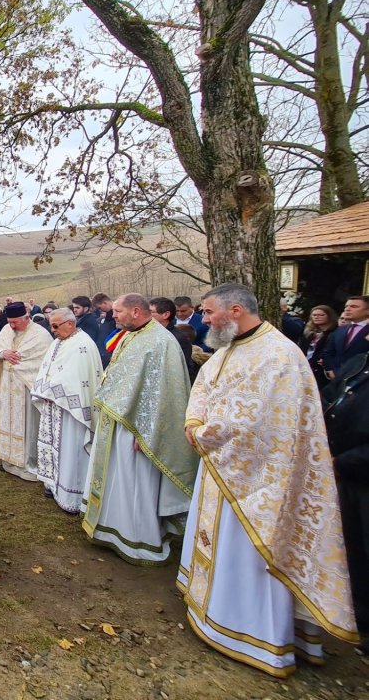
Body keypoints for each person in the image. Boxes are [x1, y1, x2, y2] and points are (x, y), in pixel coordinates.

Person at [180, 284, 357, 675]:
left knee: (250, 551)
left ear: (236, 310)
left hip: (260, 480)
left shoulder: (279, 355)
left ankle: (250, 630)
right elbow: (205, 386)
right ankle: (213, 610)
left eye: (209, 312)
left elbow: (254, 420)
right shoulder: (230, 348)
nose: (203, 319)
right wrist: (195, 420)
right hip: (222, 467)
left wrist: (203, 433)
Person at [82, 294, 196, 565]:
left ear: (136, 311)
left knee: (134, 485)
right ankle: (109, 528)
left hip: (138, 431)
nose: (114, 316)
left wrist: (147, 432)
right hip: (117, 424)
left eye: (118, 312)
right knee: (116, 481)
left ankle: (136, 539)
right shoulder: (134, 335)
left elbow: (165, 395)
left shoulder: (160, 342)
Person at [32, 308, 103, 512]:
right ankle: (52, 483)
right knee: (53, 446)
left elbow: (76, 380)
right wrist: (42, 387)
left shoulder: (83, 345)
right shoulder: (59, 341)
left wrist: (48, 389)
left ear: (70, 324)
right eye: (51, 325)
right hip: (53, 404)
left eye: (55, 326)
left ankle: (71, 494)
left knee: (70, 448)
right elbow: (46, 369)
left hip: (72, 410)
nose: (52, 330)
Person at [323, 350, 369, 654]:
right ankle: (360, 615)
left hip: (357, 465)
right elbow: (331, 393)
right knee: (354, 546)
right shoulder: (359, 361)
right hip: (346, 470)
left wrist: (344, 461)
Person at [0, 302, 52, 479]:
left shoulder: (41, 335)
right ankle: (8, 460)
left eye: (15, 322)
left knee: (27, 425)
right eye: (9, 322)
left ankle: (27, 463)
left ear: (26, 318)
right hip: (8, 387)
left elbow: (44, 363)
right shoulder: (7, 329)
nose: (12, 326)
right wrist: (2, 354)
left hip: (26, 389)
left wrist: (20, 364)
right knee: (8, 421)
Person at [321, 295, 369, 379]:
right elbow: (328, 352)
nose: (347, 309)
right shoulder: (340, 330)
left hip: (362, 380)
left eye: (354, 306)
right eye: (346, 306)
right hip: (336, 379)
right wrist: (330, 369)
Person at [149, 296, 195, 381]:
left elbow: (177, 368)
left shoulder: (178, 339)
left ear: (165, 315)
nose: (147, 316)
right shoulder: (151, 334)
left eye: (151, 312)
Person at [299, 304, 338, 388]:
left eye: (321, 315)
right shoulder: (307, 332)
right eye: (314, 315)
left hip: (321, 370)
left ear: (329, 316)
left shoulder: (334, 333)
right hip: (305, 367)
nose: (317, 317)